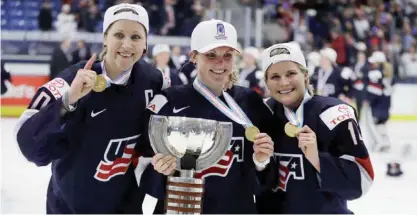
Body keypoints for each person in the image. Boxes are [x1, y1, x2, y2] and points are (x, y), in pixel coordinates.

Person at [14, 3, 170, 213]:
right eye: (119, 35)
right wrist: (68, 101)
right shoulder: (69, 81)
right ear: (105, 38)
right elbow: (28, 146)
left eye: (135, 37)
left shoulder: (156, 82)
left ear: (145, 44)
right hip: (69, 208)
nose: (127, 44)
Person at [137, 19, 275, 214]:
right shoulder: (169, 101)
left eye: (227, 55)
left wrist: (261, 161)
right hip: (182, 208)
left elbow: (267, 177)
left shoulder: (250, 102)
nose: (220, 62)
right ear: (193, 56)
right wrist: (159, 170)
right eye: (211, 55)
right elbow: (145, 171)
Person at [256, 43, 375, 214]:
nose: (284, 82)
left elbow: (362, 182)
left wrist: (317, 159)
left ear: (305, 75)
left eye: (291, 73)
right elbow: (250, 184)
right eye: (275, 76)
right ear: (266, 82)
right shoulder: (262, 113)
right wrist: (260, 162)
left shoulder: (333, 114)